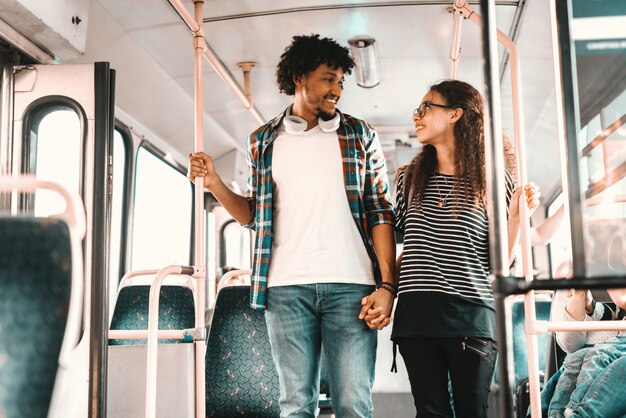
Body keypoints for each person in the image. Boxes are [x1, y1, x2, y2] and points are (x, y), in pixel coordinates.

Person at [188, 34, 396, 418]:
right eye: (329, 79)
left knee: (354, 404)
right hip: (285, 287)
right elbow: (253, 216)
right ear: (300, 78)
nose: (337, 90)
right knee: (295, 405)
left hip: (352, 285)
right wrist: (216, 183)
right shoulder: (262, 141)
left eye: (340, 82)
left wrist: (387, 285)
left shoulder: (359, 135)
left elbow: (379, 212)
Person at [365, 79, 539, 418]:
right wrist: (386, 288)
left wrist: (516, 219)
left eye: (426, 107)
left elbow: (498, 264)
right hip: (417, 316)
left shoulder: (495, 181)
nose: (417, 116)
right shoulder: (407, 179)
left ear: (456, 114)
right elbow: (409, 248)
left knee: (472, 411)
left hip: (470, 316)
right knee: (430, 413)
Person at [537, 259, 626, 418]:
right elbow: (570, 344)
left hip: (611, 349)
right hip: (603, 345)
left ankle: (574, 410)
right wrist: (585, 301)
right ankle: (555, 414)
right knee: (574, 359)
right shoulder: (578, 269)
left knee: (598, 355)